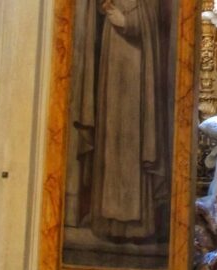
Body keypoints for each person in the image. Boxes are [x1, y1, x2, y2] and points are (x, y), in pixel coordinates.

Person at [76, 0, 170, 242]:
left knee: (133, 132)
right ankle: (107, 220)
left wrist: (129, 22)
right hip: (112, 51)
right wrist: (104, 9)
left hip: (137, 60)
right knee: (111, 133)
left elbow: (152, 15)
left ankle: (137, 224)